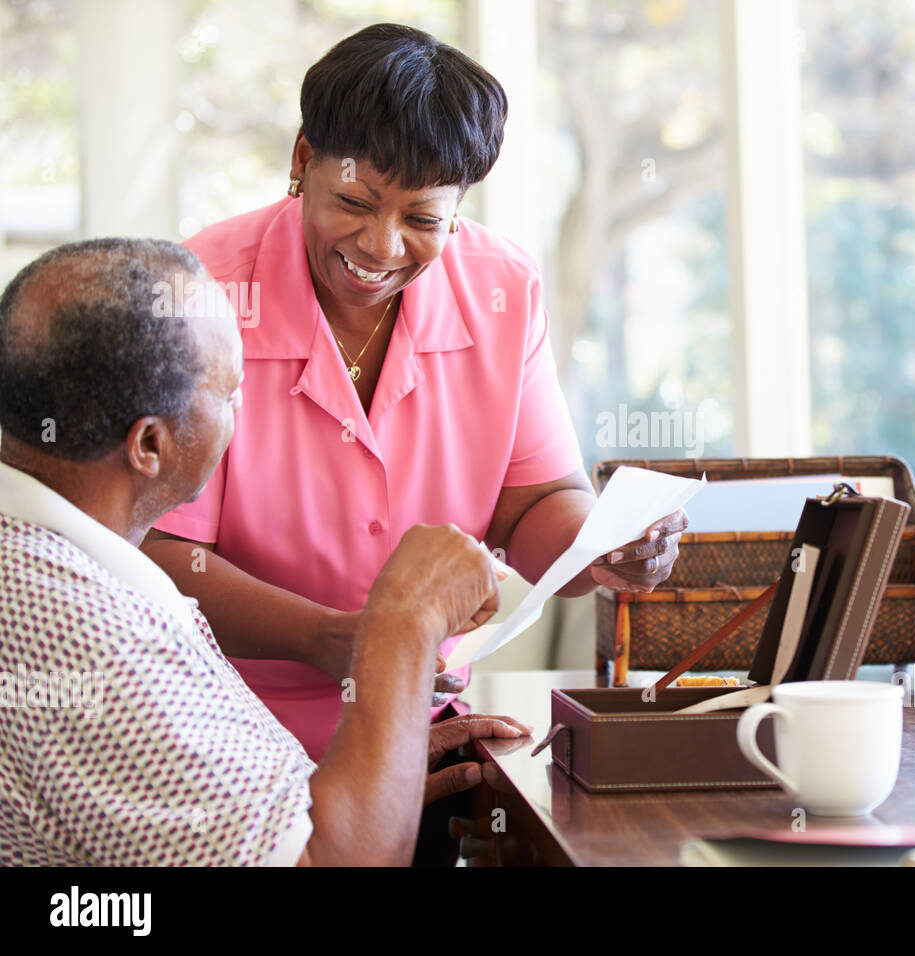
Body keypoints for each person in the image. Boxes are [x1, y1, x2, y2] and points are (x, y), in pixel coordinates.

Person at [140, 23, 686, 763]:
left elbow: (532, 503)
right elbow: (157, 550)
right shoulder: (203, 289)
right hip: (224, 737)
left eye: (424, 219)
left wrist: (600, 551)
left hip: (418, 726)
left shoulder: (502, 291)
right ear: (303, 160)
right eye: (355, 202)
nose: (382, 246)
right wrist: (330, 639)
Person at [0, 238, 527, 865]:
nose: (242, 409)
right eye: (228, 394)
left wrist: (375, 776)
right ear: (149, 445)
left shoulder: (60, 565)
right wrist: (406, 618)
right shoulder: (87, 636)